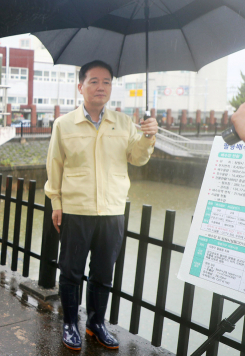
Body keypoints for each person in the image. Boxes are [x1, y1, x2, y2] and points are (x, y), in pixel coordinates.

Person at [45, 60, 157, 352]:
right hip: (76, 209)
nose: (100, 87)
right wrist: (56, 202)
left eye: (106, 81)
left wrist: (147, 136)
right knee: (70, 271)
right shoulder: (64, 124)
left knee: (103, 273)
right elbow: (54, 166)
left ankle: (96, 323)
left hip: (112, 210)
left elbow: (138, 158)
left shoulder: (123, 123)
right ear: (80, 86)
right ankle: (70, 323)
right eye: (93, 81)